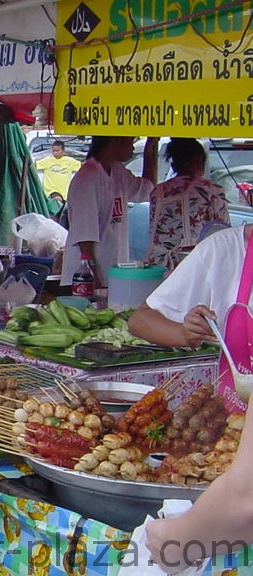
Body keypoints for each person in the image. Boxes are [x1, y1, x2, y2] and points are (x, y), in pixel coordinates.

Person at [128, 218, 253, 572]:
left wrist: (177, 539)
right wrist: (185, 331)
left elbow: (245, 502)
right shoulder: (226, 251)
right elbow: (142, 320)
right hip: (225, 436)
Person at [59, 136, 160, 290]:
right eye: (130, 141)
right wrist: (93, 275)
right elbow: (84, 236)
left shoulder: (118, 171)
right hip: (84, 279)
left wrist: (150, 149)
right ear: (114, 141)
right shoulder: (88, 177)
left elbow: (148, 189)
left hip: (112, 274)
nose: (133, 147)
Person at [146, 137, 231, 270]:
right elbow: (223, 234)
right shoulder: (212, 190)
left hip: (158, 266)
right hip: (193, 264)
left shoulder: (158, 191)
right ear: (199, 160)